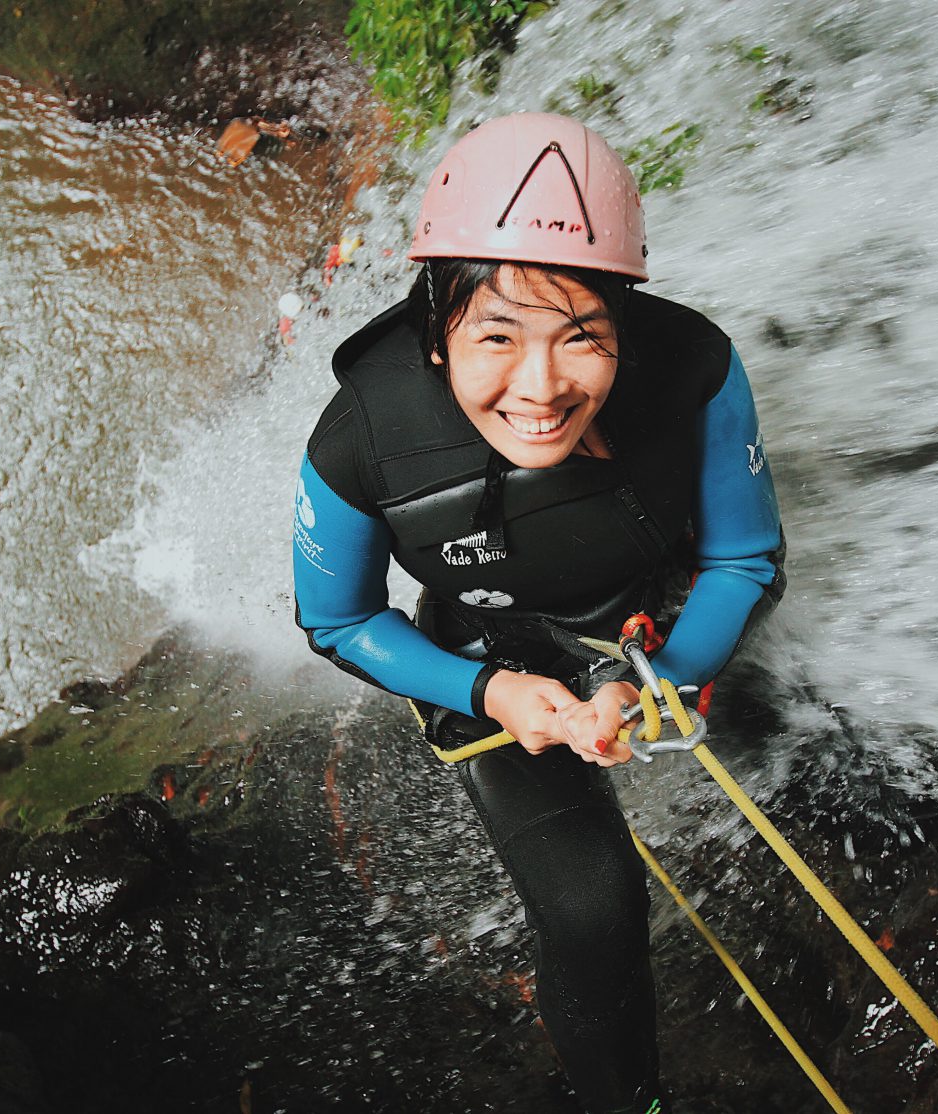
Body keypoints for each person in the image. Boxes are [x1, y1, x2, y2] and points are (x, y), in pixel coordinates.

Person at [292, 112, 785, 1114]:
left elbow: (743, 554)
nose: (541, 386)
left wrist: (665, 678)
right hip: (489, 644)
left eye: (581, 337)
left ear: (623, 327)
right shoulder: (363, 442)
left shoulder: (692, 369)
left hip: (654, 605)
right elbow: (339, 621)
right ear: (435, 328)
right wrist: (494, 690)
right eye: (496, 336)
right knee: (592, 907)